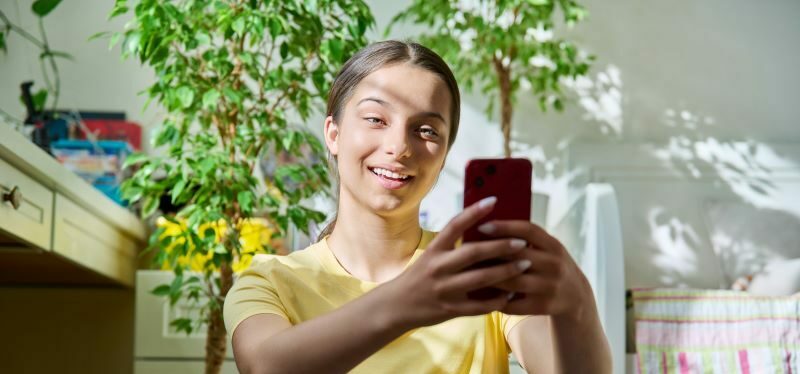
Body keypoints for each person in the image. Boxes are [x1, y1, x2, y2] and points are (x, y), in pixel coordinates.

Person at [223, 40, 612, 374]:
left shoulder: (479, 272)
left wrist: (576, 303)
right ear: (334, 134)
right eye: (376, 119)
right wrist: (409, 301)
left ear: (443, 155)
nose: (400, 147)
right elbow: (266, 366)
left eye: (426, 130)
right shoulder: (268, 281)